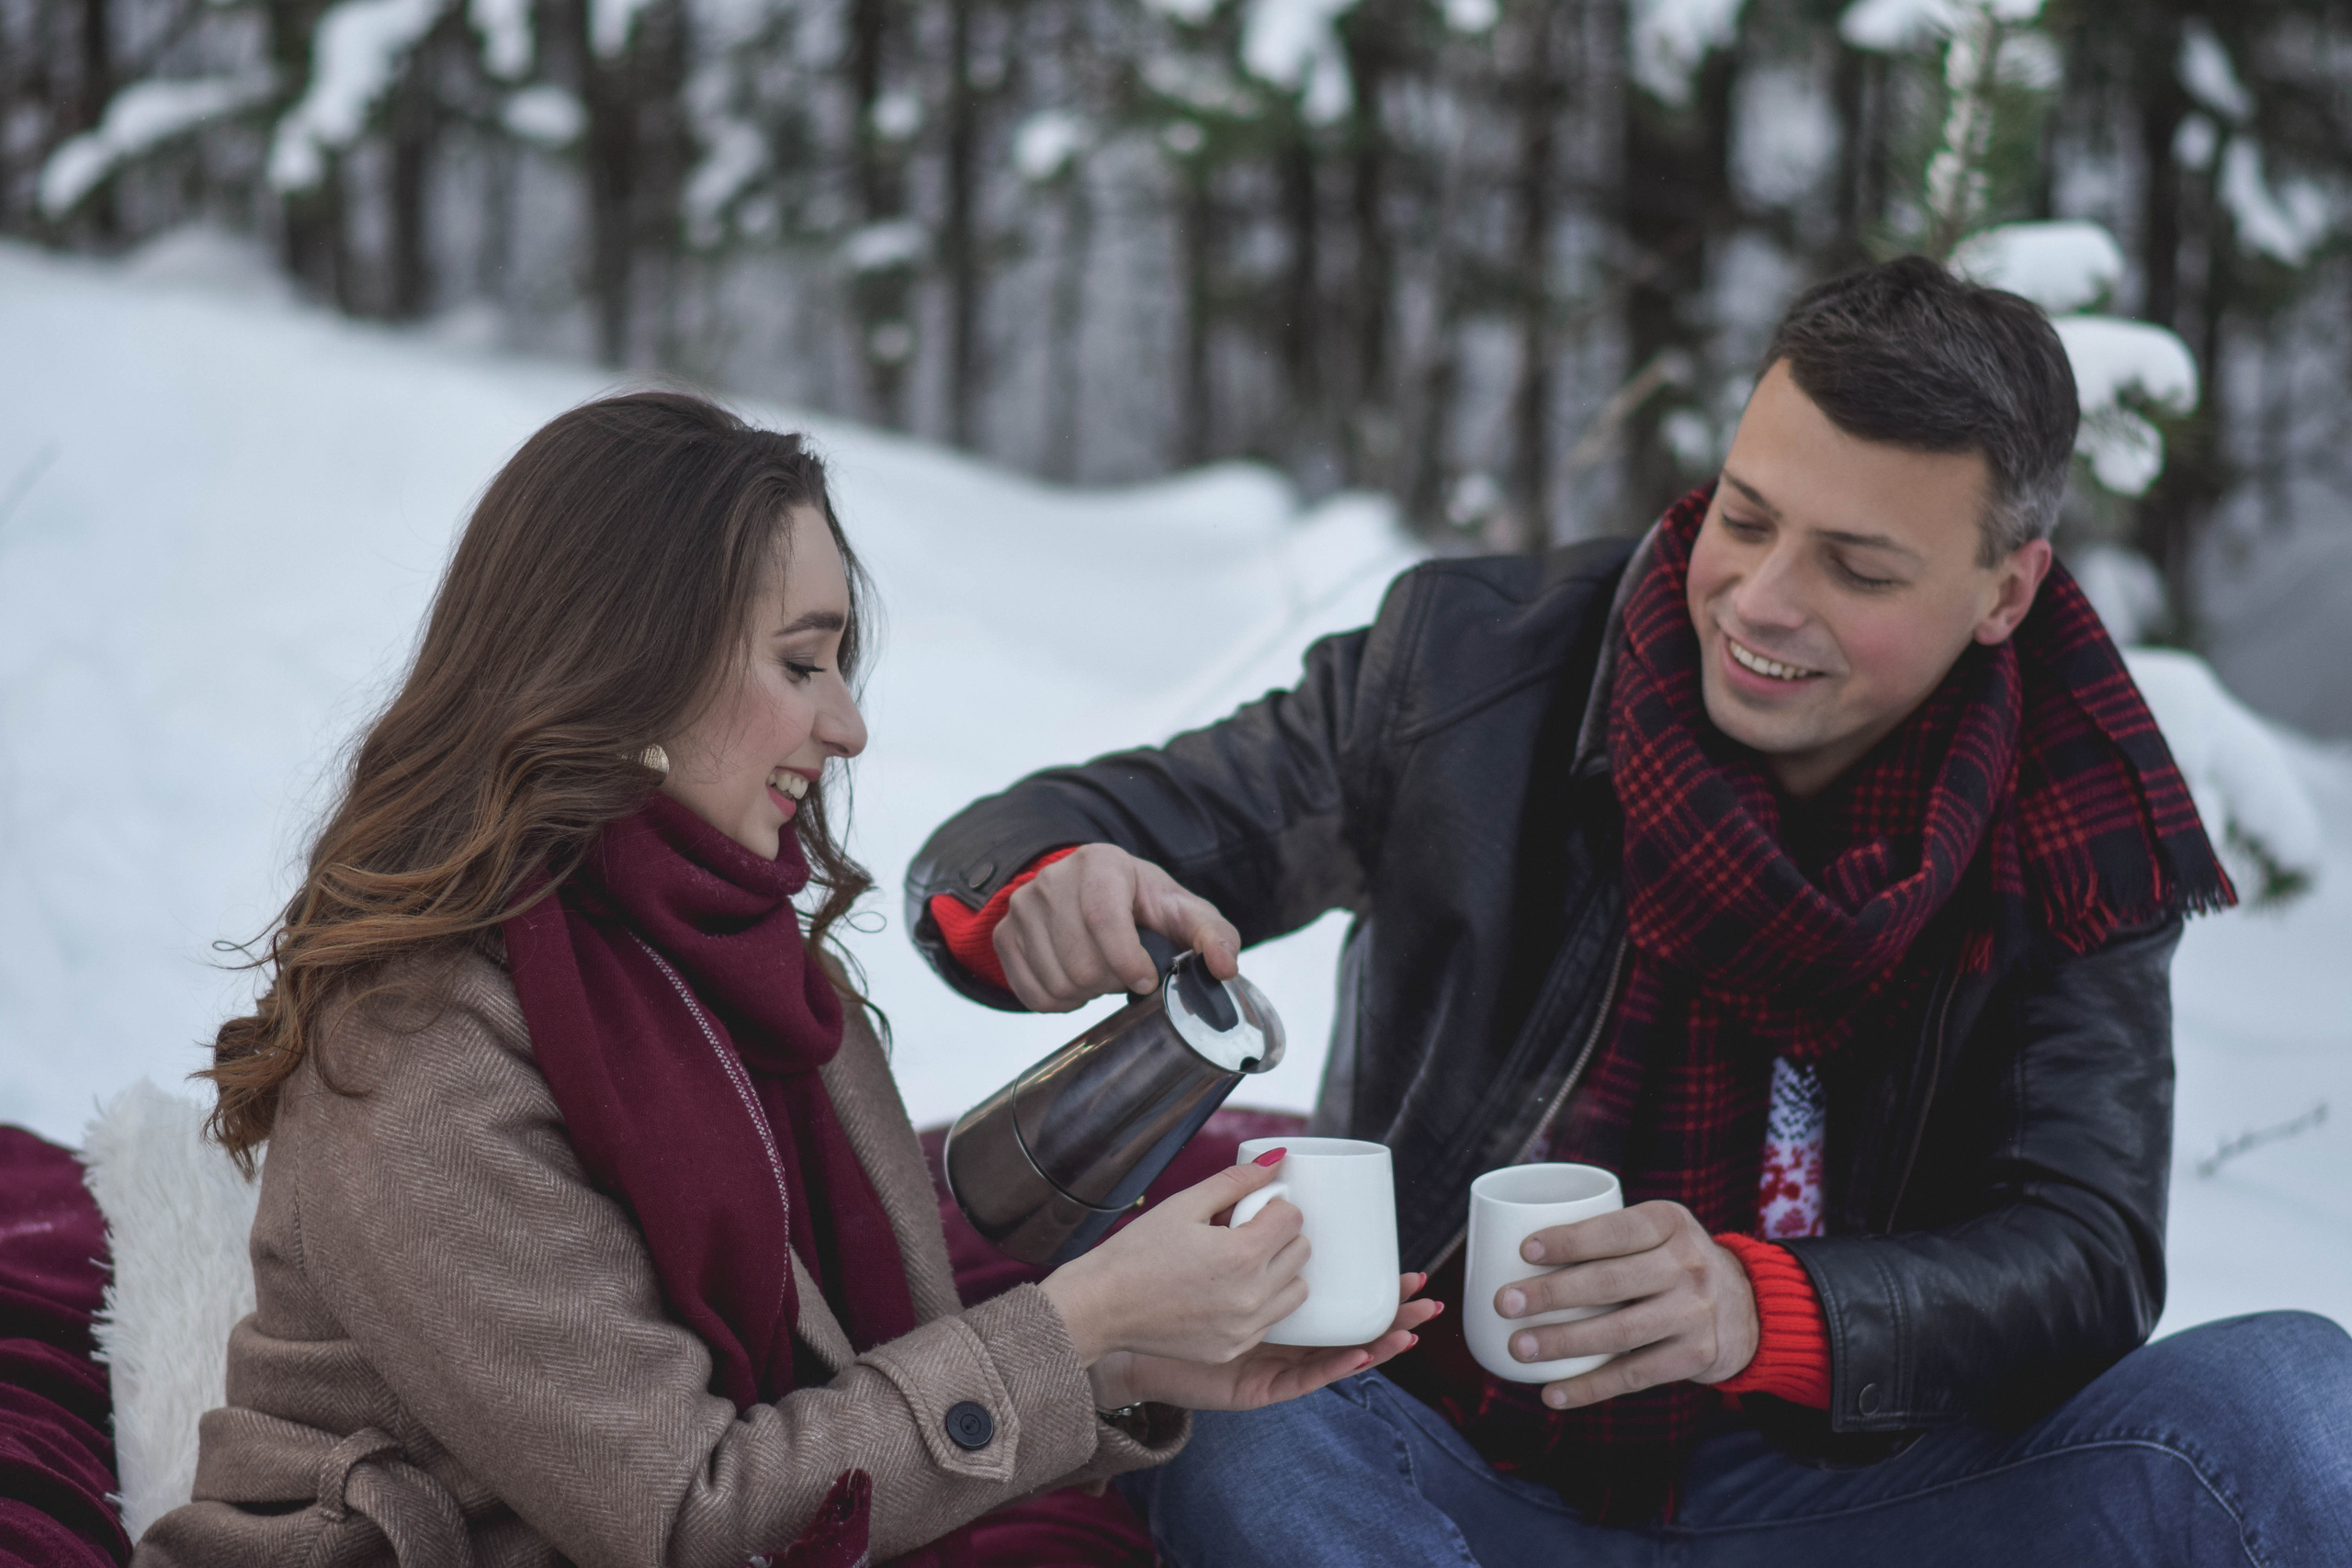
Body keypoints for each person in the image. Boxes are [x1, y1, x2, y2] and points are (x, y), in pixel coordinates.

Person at [906, 257, 2352, 1564]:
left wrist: (1761, 1307)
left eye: (1857, 568)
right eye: (1746, 516)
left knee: (2292, 1393)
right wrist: (1046, 883)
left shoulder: (2076, 806)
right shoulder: (1472, 670)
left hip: (1856, 1500)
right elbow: (1065, 830)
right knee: (1258, 1430)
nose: (1763, 602)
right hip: (1440, 1451)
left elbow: (2086, 1260)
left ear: (2005, 590)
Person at [134, 392, 1435, 1568]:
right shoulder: (419, 1045)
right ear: (630, 660)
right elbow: (685, 1513)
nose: (850, 724)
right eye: (801, 663)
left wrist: (1140, 1361)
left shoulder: (752, 974)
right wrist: (1078, 1315)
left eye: (843, 665)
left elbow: (859, 1390)